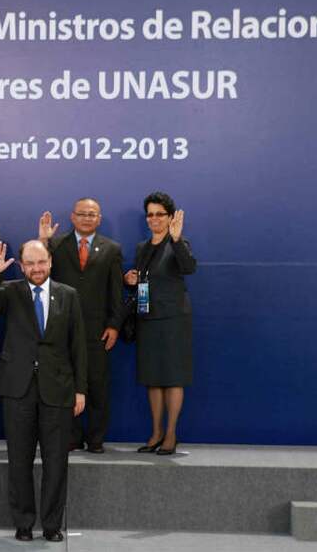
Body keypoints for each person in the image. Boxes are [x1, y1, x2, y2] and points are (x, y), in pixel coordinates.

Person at [0, 241, 86, 543]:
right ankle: (23, 523)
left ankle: (52, 525)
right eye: (30, 264)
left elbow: (78, 346)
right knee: (19, 460)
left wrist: (80, 390)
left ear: (50, 262)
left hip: (59, 390)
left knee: (56, 462)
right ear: (21, 266)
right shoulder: (9, 292)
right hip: (17, 389)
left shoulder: (68, 295)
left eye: (41, 262)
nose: (36, 269)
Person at [39, 198, 124, 453]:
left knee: (97, 385)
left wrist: (114, 325)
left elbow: (116, 291)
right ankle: (71, 437)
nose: (87, 218)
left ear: (99, 219)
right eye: (82, 214)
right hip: (62, 328)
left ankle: (96, 439)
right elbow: (39, 277)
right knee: (67, 385)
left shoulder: (112, 249)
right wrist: (43, 242)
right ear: (73, 217)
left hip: (98, 330)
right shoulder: (56, 245)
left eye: (92, 214)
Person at [123, 192, 197, 456]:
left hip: (173, 320)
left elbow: (189, 268)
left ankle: (171, 434)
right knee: (152, 378)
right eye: (150, 214)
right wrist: (130, 279)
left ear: (170, 217)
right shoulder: (143, 247)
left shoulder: (178, 242)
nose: (154, 219)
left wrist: (176, 239)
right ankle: (155, 433)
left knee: (173, 377)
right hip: (147, 318)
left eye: (160, 214)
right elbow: (144, 279)